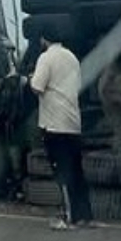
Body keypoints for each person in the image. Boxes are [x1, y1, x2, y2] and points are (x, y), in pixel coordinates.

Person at [30, 26, 93, 230]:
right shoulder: (72, 57)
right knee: (77, 170)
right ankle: (85, 215)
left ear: (43, 40)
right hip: (73, 122)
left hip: (54, 124)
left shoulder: (46, 58)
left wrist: (30, 78)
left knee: (62, 171)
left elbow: (37, 86)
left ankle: (68, 217)